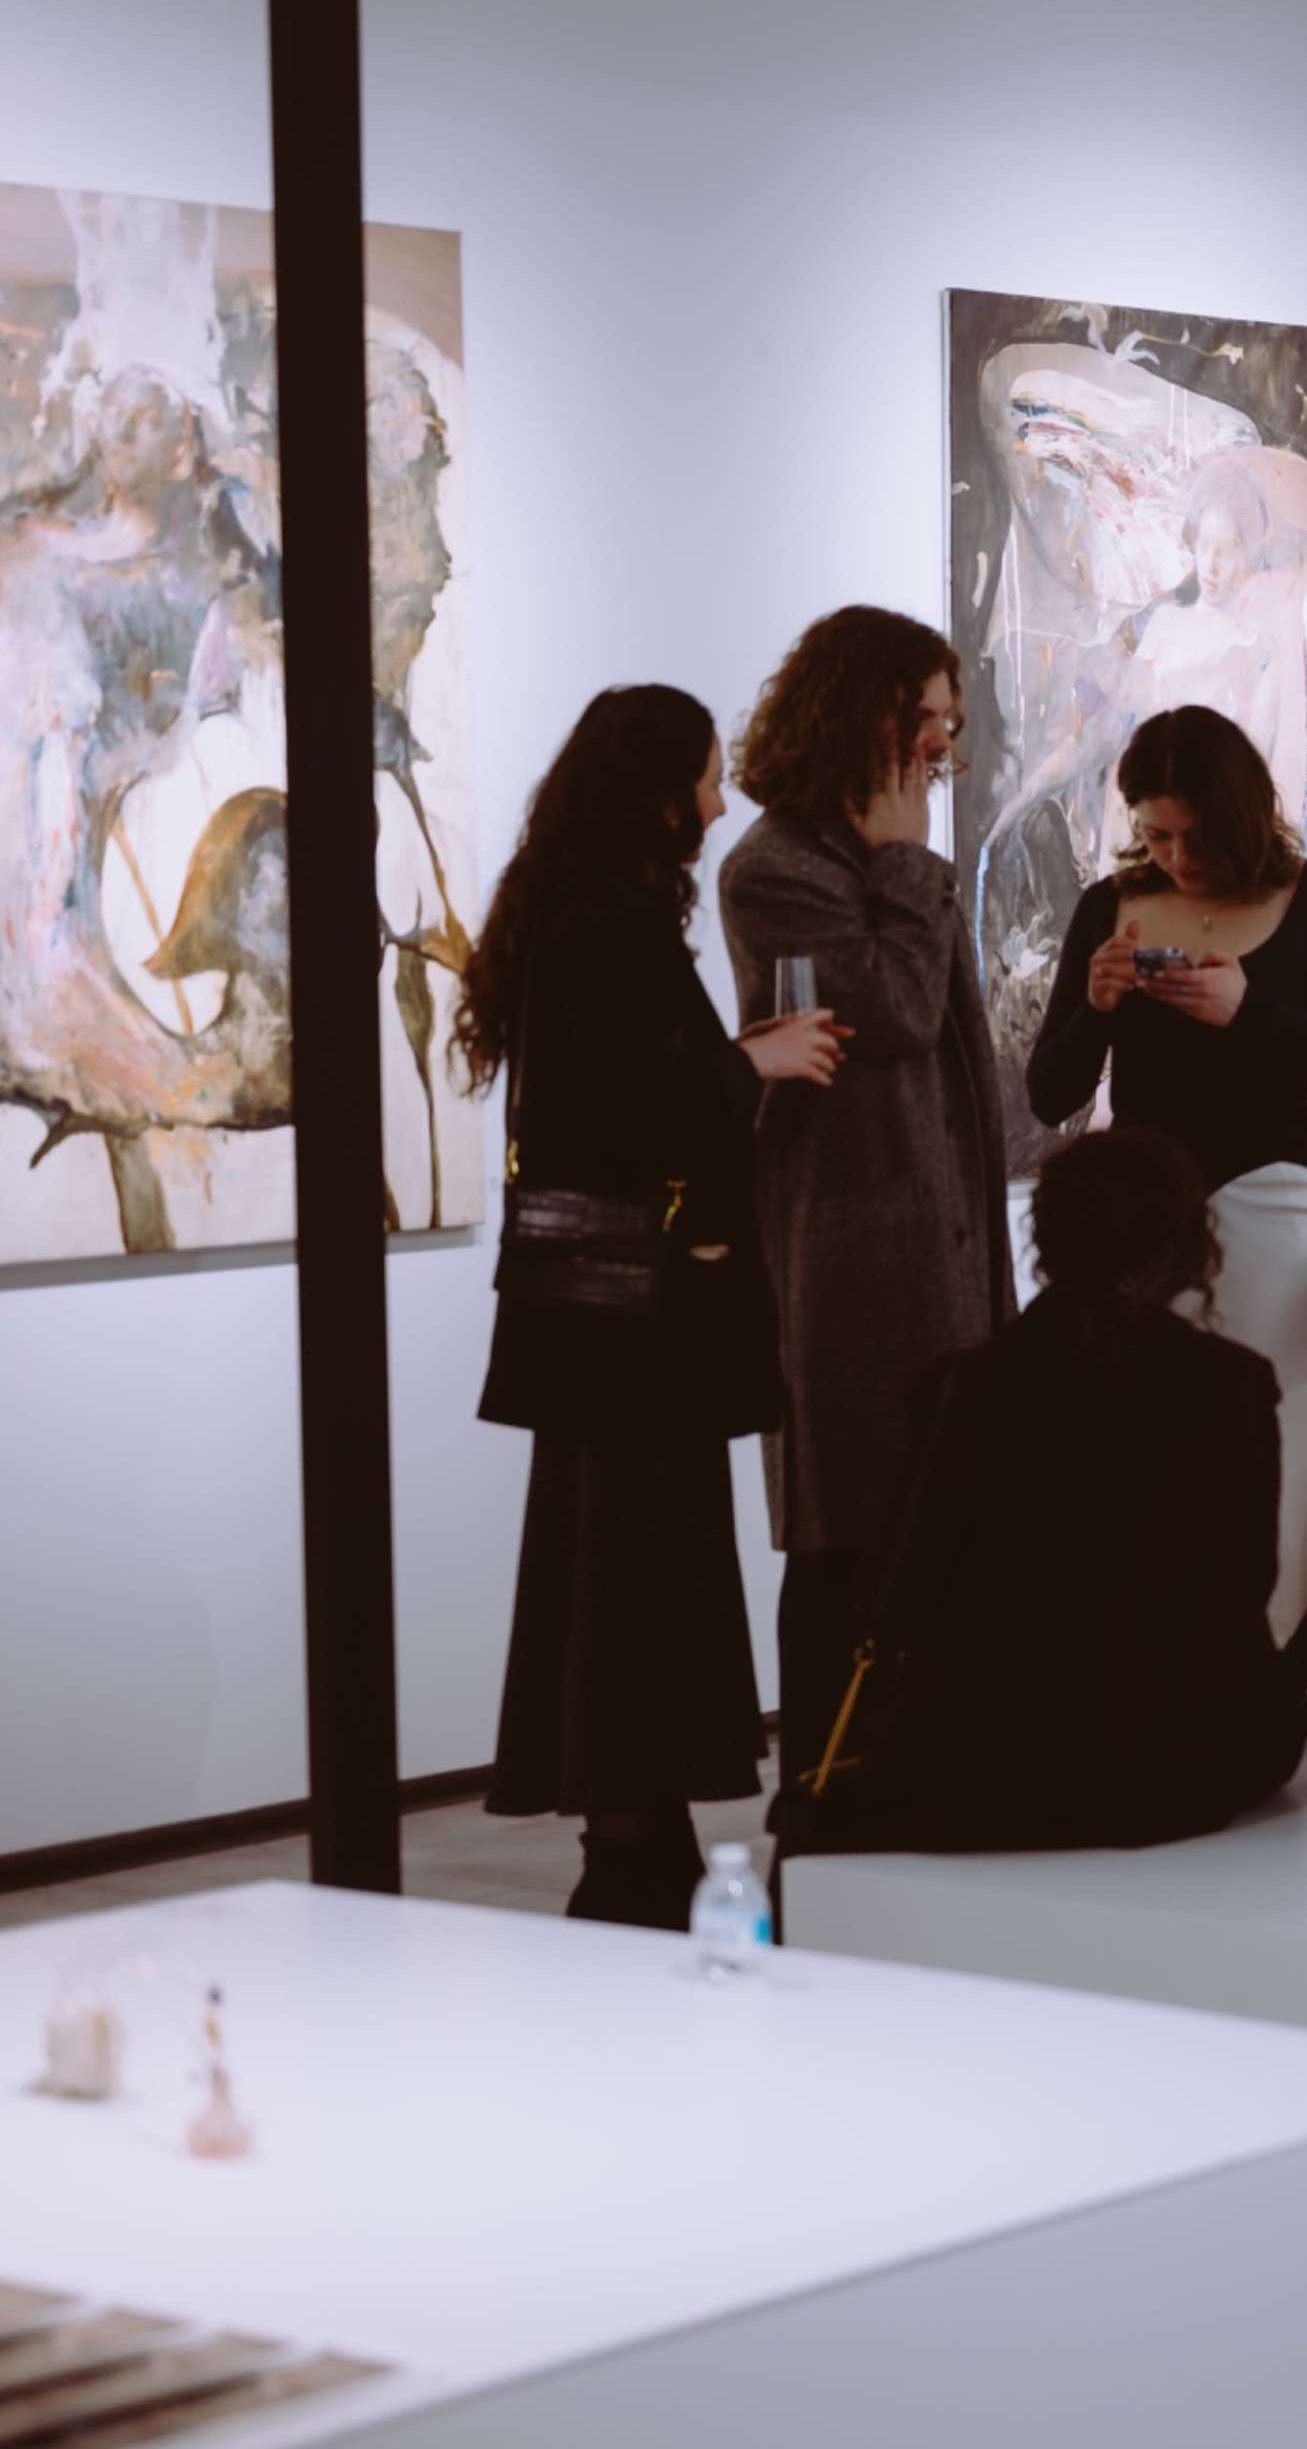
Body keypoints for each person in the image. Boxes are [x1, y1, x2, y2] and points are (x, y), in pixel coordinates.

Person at [460, 686, 839, 1927]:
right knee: (634, 1571)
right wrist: (755, 1061)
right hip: (632, 1325)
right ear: (658, 785)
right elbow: (633, 1109)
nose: (720, 802)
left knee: (610, 1570)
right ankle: (630, 1839)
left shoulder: (576, 907)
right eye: (708, 775)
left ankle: (633, 1829)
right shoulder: (605, 919)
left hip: (592, 1321)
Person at [1025, 703, 1307, 1635]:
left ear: (1239, 816)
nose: (1176, 856)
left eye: (1195, 835)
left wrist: (1252, 1010)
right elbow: (1048, 1092)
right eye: (1154, 833)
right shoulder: (1107, 908)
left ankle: (1306, 1649)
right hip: (1145, 1233)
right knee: (1160, 1450)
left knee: (1291, 1438)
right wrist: (1098, 1003)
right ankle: (1179, 1651)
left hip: (1282, 1216)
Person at [718, 606, 1015, 1786]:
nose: (943, 744)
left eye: (951, 720)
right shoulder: (774, 869)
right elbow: (889, 1013)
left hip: (948, 1247)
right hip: (852, 1267)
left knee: (944, 1541)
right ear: (863, 715)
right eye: (924, 718)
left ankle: (939, 1790)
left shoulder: (888, 861)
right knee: (846, 1557)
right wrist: (902, 861)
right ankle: (828, 1801)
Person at [862, 1127, 1307, 1848]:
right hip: (1174, 1759)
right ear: (1185, 1242)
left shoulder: (962, 1386)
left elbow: (919, 1585)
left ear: (1047, 1239)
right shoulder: (1229, 1384)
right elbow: (1245, 1581)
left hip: (984, 1760)